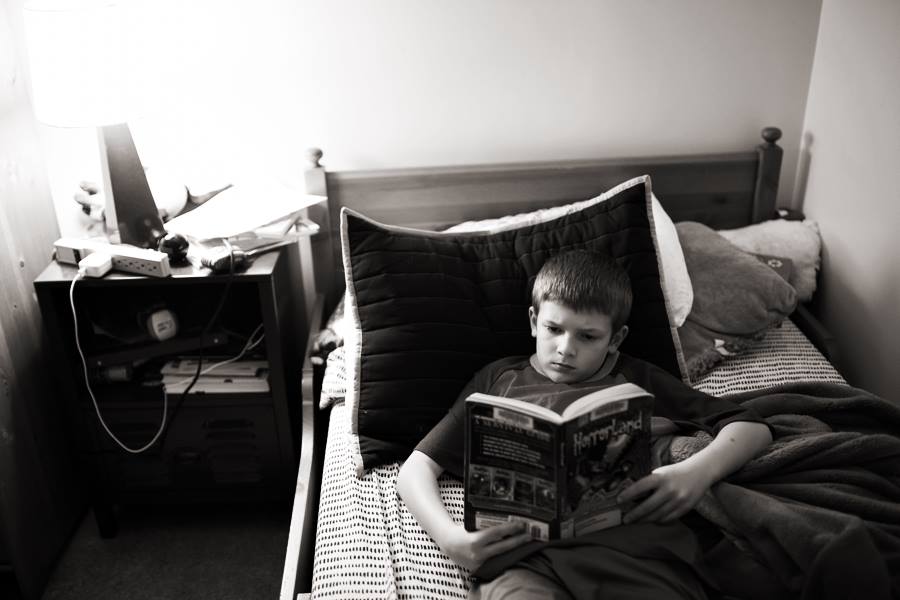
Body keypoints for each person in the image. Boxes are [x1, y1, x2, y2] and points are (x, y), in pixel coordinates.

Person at [396, 249, 774, 600]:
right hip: (526, 561)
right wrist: (450, 540)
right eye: (554, 329)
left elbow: (752, 427)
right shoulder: (498, 378)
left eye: (588, 336)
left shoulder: (637, 378)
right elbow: (416, 468)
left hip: (633, 554)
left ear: (615, 339)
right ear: (533, 322)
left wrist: (695, 474)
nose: (565, 349)